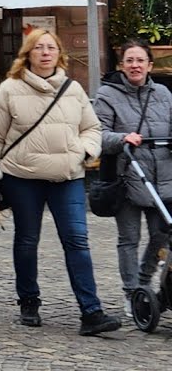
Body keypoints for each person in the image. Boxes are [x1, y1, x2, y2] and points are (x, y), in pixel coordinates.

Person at [0, 28, 121, 335]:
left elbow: (92, 128)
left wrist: (84, 151)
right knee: (27, 242)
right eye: (38, 48)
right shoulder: (10, 89)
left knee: (77, 241)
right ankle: (29, 301)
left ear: (59, 53)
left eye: (50, 47)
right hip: (22, 177)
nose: (45, 52)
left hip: (66, 176)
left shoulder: (73, 89)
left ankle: (91, 312)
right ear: (27, 54)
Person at [96, 38, 172, 318]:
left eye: (140, 60)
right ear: (121, 65)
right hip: (126, 177)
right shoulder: (107, 94)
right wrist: (121, 138)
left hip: (162, 178)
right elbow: (99, 134)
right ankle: (131, 293)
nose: (135, 65)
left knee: (161, 236)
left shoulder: (163, 93)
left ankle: (146, 285)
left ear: (150, 65)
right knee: (129, 238)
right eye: (130, 60)